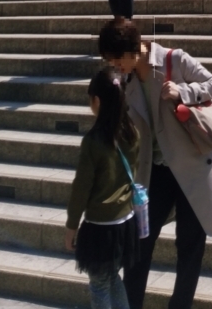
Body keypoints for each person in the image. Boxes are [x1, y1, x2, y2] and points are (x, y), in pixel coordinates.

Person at [98, 20, 212, 309]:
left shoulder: (173, 59)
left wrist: (183, 92)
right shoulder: (126, 82)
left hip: (192, 169)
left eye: (117, 59)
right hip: (156, 172)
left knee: (189, 246)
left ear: (133, 50)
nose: (116, 66)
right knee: (140, 243)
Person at [65, 67, 139, 309]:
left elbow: (81, 188)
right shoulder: (131, 133)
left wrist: (72, 226)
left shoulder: (93, 142)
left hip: (100, 228)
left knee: (99, 285)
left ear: (96, 101)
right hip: (124, 223)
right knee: (111, 278)